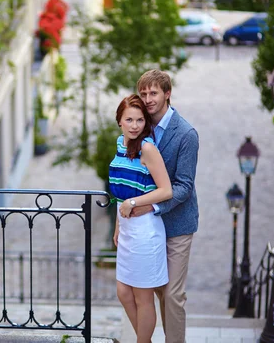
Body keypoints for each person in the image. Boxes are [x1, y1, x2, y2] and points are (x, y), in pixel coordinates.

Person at [122, 69, 200, 343]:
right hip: (146, 227)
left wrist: (151, 208)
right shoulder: (138, 126)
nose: (148, 98)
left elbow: (184, 187)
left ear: (167, 94)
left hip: (177, 225)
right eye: (143, 93)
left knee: (172, 295)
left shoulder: (187, 134)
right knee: (149, 290)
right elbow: (129, 177)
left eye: (153, 93)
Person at [109, 94, 173, 343]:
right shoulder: (120, 145)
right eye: (129, 120)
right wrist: (117, 226)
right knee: (123, 292)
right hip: (126, 229)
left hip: (146, 231)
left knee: (142, 297)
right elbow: (120, 192)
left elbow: (165, 190)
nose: (134, 125)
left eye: (139, 120)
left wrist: (134, 202)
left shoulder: (147, 148)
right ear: (120, 122)